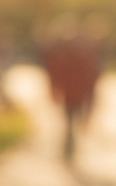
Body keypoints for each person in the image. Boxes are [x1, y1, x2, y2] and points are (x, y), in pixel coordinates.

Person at [42, 15, 100, 165]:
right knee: (70, 120)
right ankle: (69, 146)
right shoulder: (68, 54)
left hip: (74, 94)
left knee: (71, 121)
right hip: (72, 94)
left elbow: (88, 76)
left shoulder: (76, 54)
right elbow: (57, 75)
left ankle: (69, 146)